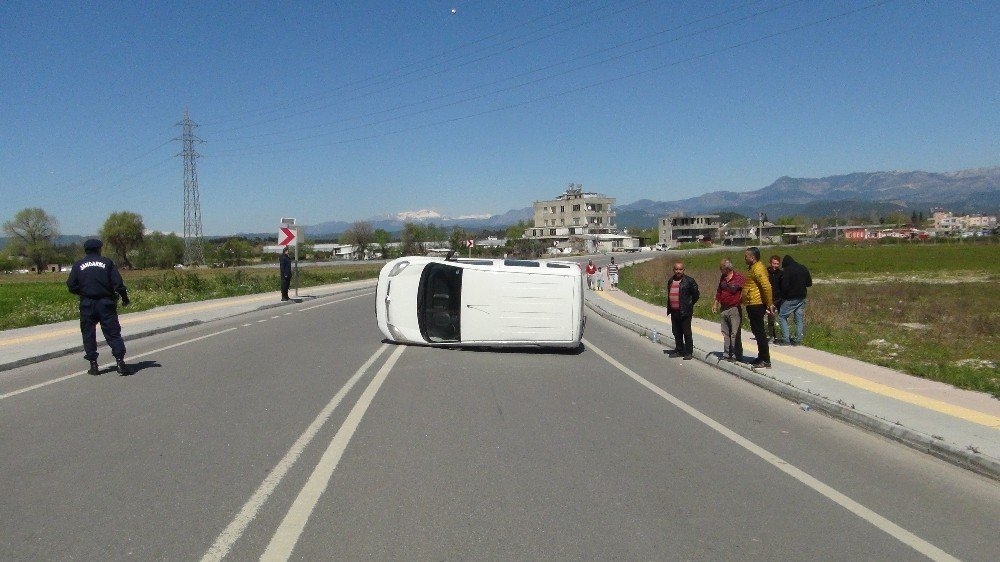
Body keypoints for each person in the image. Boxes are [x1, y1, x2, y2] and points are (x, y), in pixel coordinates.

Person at [66, 238, 131, 376]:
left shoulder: (78, 265)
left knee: (88, 333)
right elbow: (118, 284)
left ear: (86, 250)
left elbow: (71, 285)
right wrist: (125, 298)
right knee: (113, 332)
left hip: (87, 304)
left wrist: (84, 291)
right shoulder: (107, 263)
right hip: (106, 303)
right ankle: (120, 361)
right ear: (99, 249)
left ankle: (93, 365)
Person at [742, 246, 774, 368]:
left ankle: (765, 359)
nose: (745, 258)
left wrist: (769, 303)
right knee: (757, 332)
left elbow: (766, 287)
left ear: (753, 257)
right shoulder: (753, 268)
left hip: (757, 303)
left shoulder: (758, 268)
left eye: (746, 256)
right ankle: (761, 357)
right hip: (752, 303)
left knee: (759, 332)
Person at [711, 258, 744, 362]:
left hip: (734, 308)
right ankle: (726, 354)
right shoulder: (723, 278)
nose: (720, 269)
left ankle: (735, 354)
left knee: (735, 333)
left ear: (727, 268)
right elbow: (719, 291)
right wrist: (715, 303)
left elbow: (745, 291)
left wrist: (741, 301)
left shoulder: (739, 278)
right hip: (724, 308)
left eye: (721, 267)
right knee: (725, 333)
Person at [665, 261, 700, 360]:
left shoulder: (689, 281)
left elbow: (696, 295)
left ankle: (688, 352)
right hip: (674, 311)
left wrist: (689, 304)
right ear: (673, 270)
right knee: (676, 331)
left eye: (680, 269)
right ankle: (679, 350)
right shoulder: (671, 281)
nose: (678, 271)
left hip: (685, 312)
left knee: (686, 332)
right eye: (676, 269)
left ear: (684, 270)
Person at [778, 254, 813, 345]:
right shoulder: (803, 268)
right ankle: (798, 340)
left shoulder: (788, 270)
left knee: (782, 316)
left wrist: (783, 296)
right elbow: (809, 283)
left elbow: (784, 286)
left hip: (791, 298)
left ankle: (786, 339)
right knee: (799, 318)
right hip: (802, 297)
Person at [766, 255, 784, 343]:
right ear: (770, 263)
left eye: (777, 264)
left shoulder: (781, 274)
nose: (775, 265)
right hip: (769, 299)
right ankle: (772, 336)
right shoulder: (766, 272)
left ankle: (783, 336)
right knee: (770, 318)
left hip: (779, 299)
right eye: (774, 263)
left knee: (782, 317)